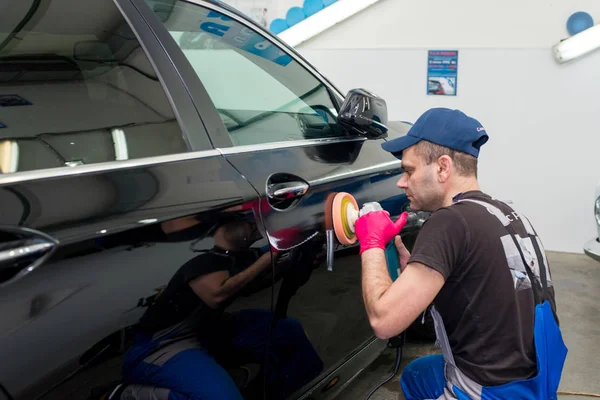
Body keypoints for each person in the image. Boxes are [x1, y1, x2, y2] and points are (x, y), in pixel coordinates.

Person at [354, 108, 567, 399]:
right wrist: (418, 273)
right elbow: (485, 290)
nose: (401, 183)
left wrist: (371, 243)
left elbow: (384, 321)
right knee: (418, 375)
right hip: (537, 381)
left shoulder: (448, 222)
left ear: (443, 168)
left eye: (408, 170)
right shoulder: (508, 214)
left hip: (490, 392)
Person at [105, 215, 323, 400]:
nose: (254, 224)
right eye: (247, 221)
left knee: (286, 332)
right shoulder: (203, 259)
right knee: (221, 397)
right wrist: (273, 254)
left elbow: (249, 285)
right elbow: (218, 294)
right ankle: (127, 393)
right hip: (162, 345)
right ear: (221, 226)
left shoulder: (239, 256)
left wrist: (293, 263)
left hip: (208, 330)